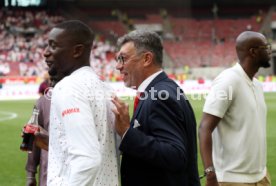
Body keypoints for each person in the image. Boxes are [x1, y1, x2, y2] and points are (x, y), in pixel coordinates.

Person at [111, 30, 200, 186]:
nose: (118, 66)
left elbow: (175, 155)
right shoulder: (162, 90)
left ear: (146, 59)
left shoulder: (159, 96)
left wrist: (127, 133)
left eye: (122, 59)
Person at [43, 20, 119, 185]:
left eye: (53, 46)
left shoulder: (69, 87)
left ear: (77, 51)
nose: (45, 52)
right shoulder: (106, 89)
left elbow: (87, 159)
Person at [198, 31, 271, 186]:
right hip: (233, 180)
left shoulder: (257, 84)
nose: (270, 50)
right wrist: (210, 174)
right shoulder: (228, 81)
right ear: (253, 52)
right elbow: (205, 128)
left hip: (261, 176)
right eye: (266, 47)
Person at [25, 76, 62, 186]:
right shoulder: (43, 101)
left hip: (69, 174)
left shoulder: (43, 101)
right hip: (49, 172)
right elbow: (34, 137)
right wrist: (30, 174)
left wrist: (30, 175)